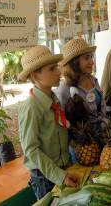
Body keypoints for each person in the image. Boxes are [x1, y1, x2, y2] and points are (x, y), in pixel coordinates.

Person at [17, 45, 79, 199]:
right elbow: (31, 149)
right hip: (45, 176)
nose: (59, 72)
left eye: (57, 67)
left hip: (62, 167)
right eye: (52, 69)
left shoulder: (53, 98)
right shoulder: (32, 106)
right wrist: (59, 175)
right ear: (36, 75)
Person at [55, 39, 108, 160]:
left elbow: (102, 106)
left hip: (102, 136)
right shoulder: (65, 88)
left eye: (91, 57)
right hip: (83, 147)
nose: (92, 62)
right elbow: (63, 121)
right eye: (86, 58)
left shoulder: (93, 80)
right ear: (74, 62)